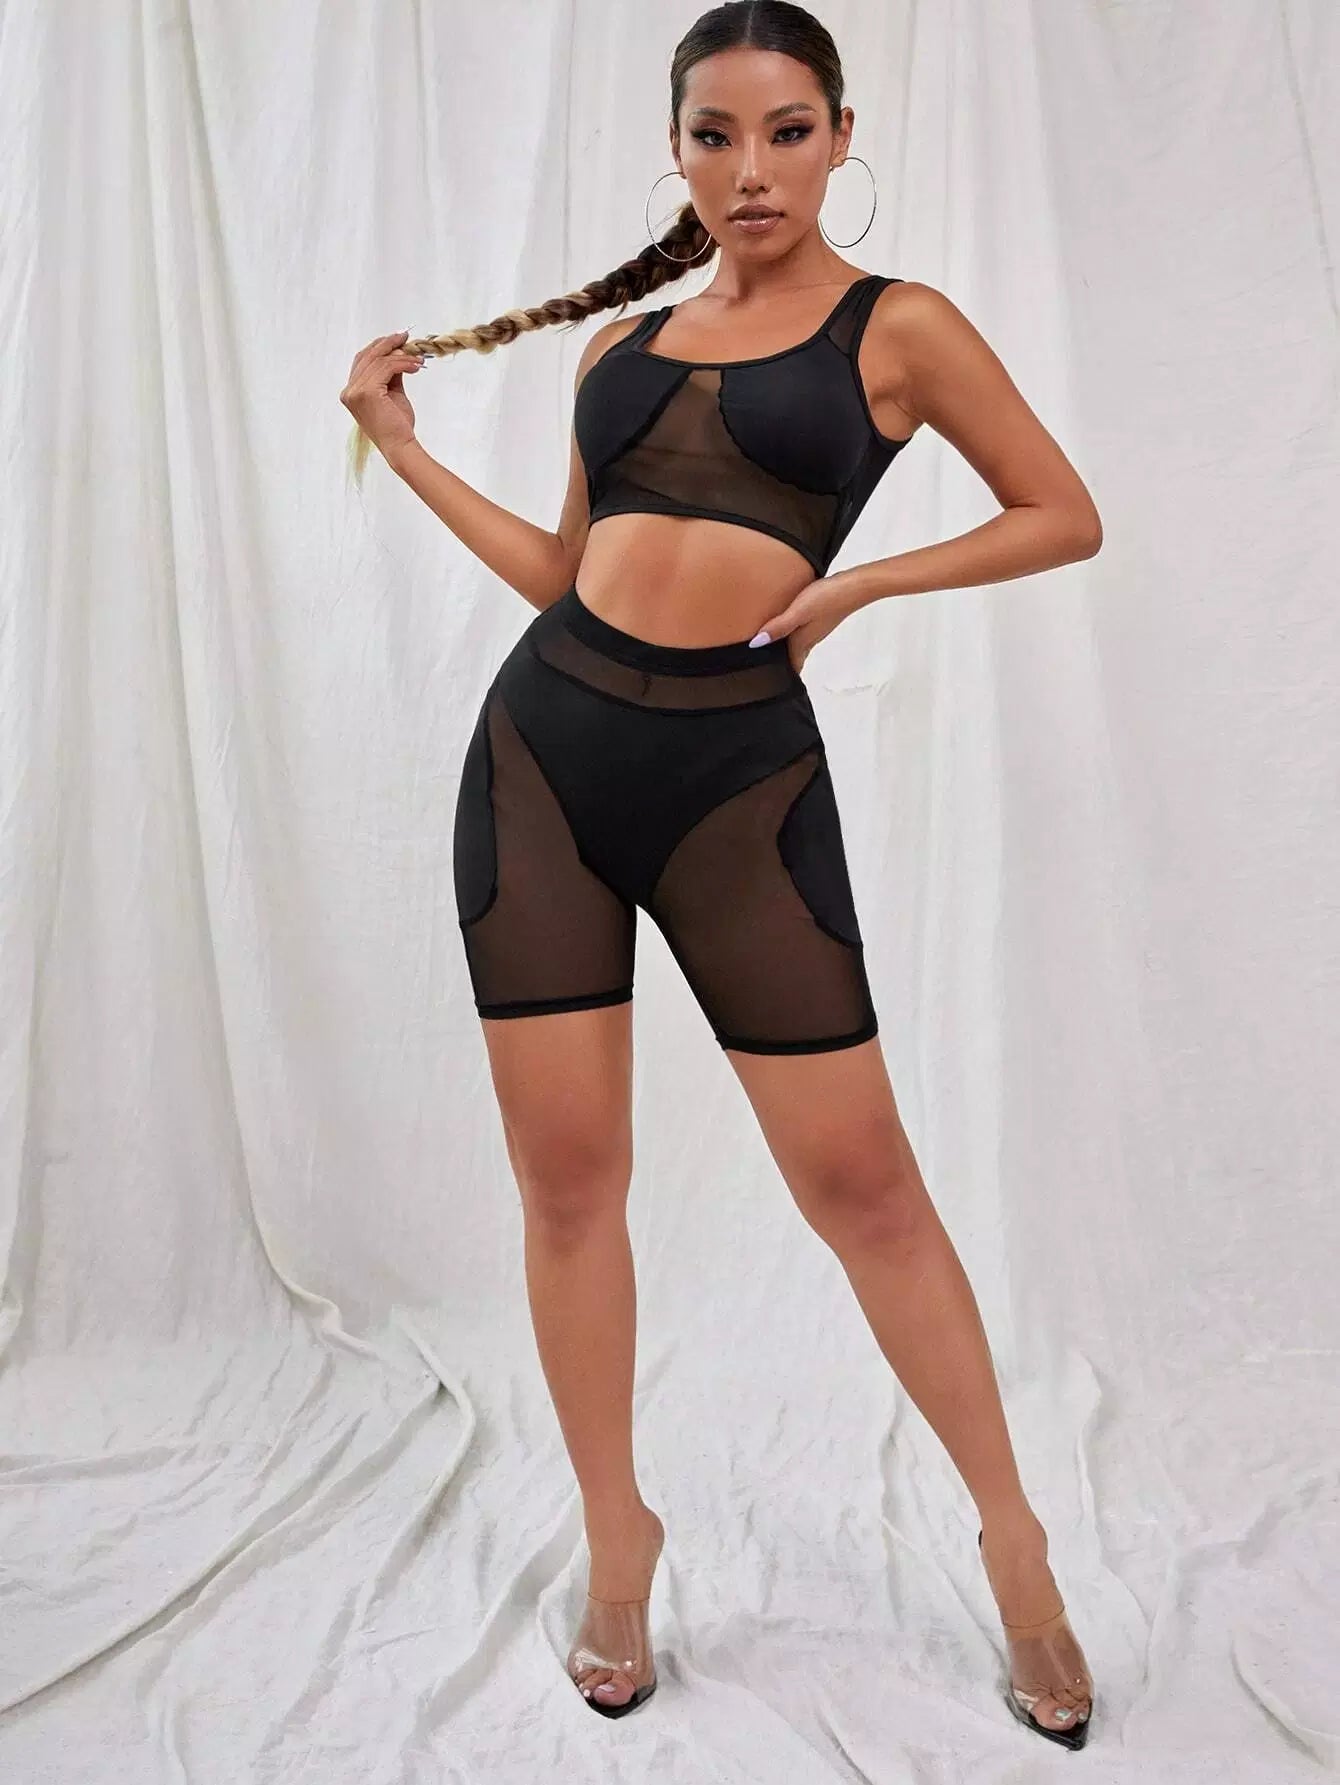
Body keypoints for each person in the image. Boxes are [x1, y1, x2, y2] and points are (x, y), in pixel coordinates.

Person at [340, 0, 1102, 1750]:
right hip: (540, 765)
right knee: (567, 1184)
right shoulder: (619, 351)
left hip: (737, 786)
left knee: (865, 1185)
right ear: (676, 147)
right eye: (715, 134)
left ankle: (1014, 1539)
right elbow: (565, 576)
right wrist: (407, 447)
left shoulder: (900, 328)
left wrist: (858, 586)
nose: (750, 169)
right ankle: (619, 1535)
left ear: (840, 137)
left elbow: (1061, 511)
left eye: (785, 131)